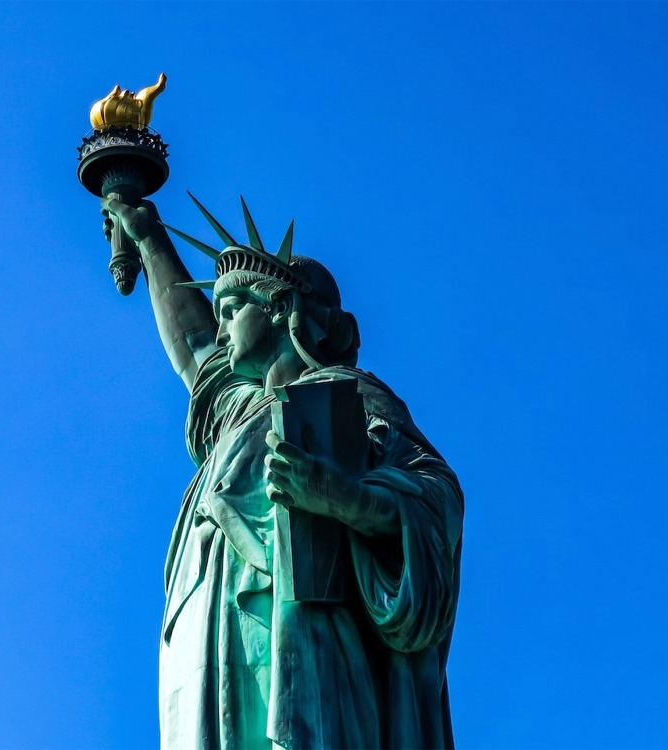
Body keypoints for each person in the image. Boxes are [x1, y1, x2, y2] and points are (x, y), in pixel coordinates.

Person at [102, 195, 464, 750]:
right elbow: (195, 348)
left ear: (277, 308)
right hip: (214, 644)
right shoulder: (239, 414)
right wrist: (147, 235)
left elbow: (436, 497)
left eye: (230, 311)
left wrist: (344, 498)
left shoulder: (345, 396)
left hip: (309, 647)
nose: (220, 332)